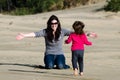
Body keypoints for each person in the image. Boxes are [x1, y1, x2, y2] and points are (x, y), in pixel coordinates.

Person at [16, 15, 96, 69]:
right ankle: (50, 63)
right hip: (49, 54)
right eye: (52, 23)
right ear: (49, 24)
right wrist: (24, 35)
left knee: (61, 66)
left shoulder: (62, 31)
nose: (54, 25)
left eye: (55, 23)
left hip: (59, 54)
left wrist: (88, 33)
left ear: (58, 23)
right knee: (49, 66)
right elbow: (35, 34)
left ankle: (63, 64)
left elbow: (76, 32)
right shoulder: (46, 31)